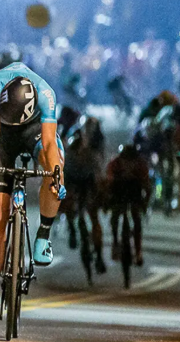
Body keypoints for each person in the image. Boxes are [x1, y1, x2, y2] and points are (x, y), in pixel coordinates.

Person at [0, 62, 65, 316]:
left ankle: (44, 235)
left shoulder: (46, 94)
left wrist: (55, 175)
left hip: (34, 131)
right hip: (1, 134)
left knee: (56, 168)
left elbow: (49, 144)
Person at [63, 115, 106, 273]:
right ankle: (72, 228)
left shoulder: (93, 153)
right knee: (66, 199)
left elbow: (98, 178)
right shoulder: (68, 154)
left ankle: (99, 255)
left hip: (88, 181)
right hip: (73, 180)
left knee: (94, 216)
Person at [106, 141, 150, 269]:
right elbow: (109, 182)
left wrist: (145, 202)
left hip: (133, 193)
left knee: (136, 220)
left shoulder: (140, 164)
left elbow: (146, 184)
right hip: (120, 193)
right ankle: (116, 242)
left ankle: (137, 252)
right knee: (117, 218)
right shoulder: (116, 163)